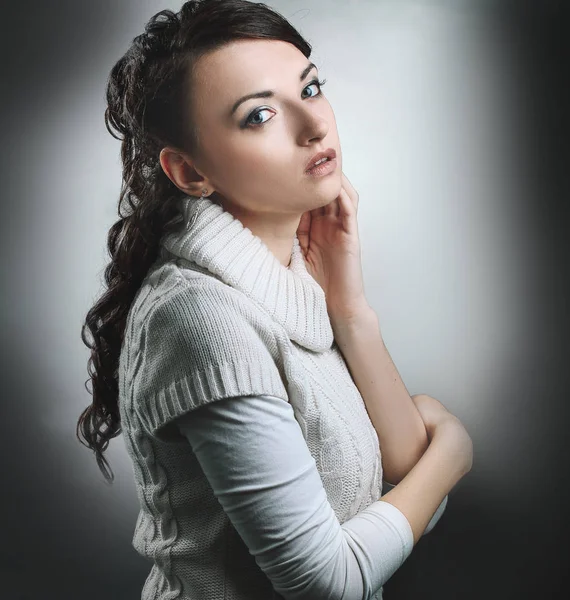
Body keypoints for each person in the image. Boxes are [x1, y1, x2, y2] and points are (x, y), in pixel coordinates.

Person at [77, 1, 473, 599]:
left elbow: (395, 479)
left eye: (310, 87)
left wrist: (349, 310)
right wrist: (455, 453)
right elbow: (329, 582)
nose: (313, 126)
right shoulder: (200, 316)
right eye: (259, 114)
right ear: (189, 172)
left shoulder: (288, 275)